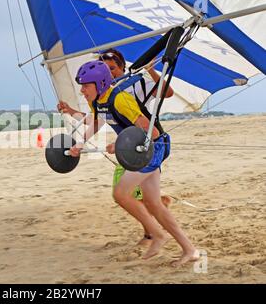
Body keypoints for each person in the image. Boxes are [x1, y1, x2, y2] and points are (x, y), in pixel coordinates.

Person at [69, 60, 199, 266]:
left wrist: (121, 143)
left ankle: (157, 235)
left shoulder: (120, 99)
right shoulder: (96, 101)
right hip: (139, 148)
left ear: (100, 83)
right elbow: (95, 121)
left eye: (86, 85)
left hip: (154, 146)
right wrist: (79, 143)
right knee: (153, 203)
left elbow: (152, 132)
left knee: (120, 193)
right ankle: (190, 250)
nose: (82, 90)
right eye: (81, 86)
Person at [58, 49, 173, 246]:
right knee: (127, 194)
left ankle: (152, 233)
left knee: (128, 194)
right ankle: (156, 214)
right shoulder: (102, 96)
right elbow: (96, 121)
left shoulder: (135, 85)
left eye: (113, 69)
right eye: (106, 69)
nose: (110, 73)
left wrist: (152, 71)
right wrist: (71, 115)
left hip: (146, 145)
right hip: (127, 149)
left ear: (122, 68)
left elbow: (167, 93)